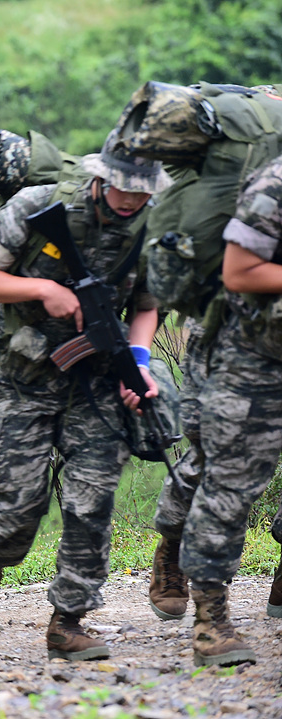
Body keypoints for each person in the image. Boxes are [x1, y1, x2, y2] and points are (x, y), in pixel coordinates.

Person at [0, 133, 172, 660]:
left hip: (97, 380)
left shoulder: (149, 225)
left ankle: (68, 620)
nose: (129, 200)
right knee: (20, 500)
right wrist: (44, 290)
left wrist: (137, 363)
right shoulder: (38, 207)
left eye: (141, 192)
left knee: (91, 501)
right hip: (24, 375)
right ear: (101, 176)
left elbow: (147, 304)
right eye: (122, 188)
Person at [169, 154, 282, 666]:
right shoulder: (276, 182)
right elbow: (240, 270)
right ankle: (211, 621)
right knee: (230, 484)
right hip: (252, 357)